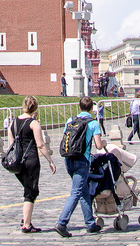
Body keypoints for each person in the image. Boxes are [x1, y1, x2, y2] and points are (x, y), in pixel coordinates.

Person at [55, 96, 103, 236]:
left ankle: (90, 223)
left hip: (69, 159)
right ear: (92, 108)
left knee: (83, 191)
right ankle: (62, 223)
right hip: (82, 160)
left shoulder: (71, 120)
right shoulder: (93, 123)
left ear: (79, 107)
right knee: (76, 191)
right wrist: (104, 143)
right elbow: (99, 145)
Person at [7, 95, 56, 234]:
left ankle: (25, 217)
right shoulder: (34, 123)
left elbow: (11, 145)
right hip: (30, 161)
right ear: (35, 108)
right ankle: (26, 224)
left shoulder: (13, 123)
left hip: (17, 163)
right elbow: (40, 144)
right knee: (30, 192)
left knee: (31, 190)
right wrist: (50, 161)